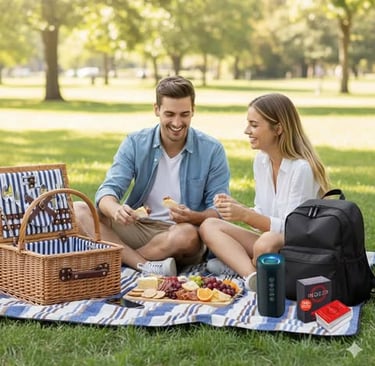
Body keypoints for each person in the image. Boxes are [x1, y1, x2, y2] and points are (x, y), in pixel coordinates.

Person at [74, 75, 230, 277]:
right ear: (156, 109)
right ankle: (144, 264)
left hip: (179, 233)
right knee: (77, 210)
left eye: (184, 114)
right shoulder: (136, 142)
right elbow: (108, 190)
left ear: (193, 110)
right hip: (139, 226)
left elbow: (218, 210)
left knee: (187, 235)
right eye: (169, 114)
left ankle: (118, 260)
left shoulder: (212, 150)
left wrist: (194, 216)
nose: (177, 122)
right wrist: (116, 210)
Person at [199, 93, 330, 291]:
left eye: (254, 125)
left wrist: (245, 215)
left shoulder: (301, 169)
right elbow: (263, 211)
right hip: (269, 241)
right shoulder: (261, 160)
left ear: (278, 128)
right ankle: (252, 275)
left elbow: (292, 228)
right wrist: (237, 208)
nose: (246, 131)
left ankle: (241, 265)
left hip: (298, 247)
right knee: (209, 225)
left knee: (265, 242)